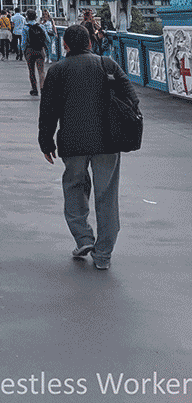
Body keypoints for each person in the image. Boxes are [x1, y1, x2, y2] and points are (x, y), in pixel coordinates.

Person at [38, 24, 140, 270]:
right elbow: (132, 99)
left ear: (65, 45)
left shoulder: (57, 70)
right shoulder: (108, 65)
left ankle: (83, 238)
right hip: (108, 141)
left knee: (74, 188)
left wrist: (46, 141)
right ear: (91, 43)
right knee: (107, 196)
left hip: (72, 142)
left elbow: (48, 111)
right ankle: (103, 254)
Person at [21, 8, 51, 96]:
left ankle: (34, 89)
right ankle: (42, 88)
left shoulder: (25, 27)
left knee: (31, 71)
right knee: (41, 71)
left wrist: (24, 51)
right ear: (36, 17)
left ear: (27, 17)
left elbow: (23, 42)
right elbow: (48, 40)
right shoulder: (41, 26)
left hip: (30, 51)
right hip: (40, 50)